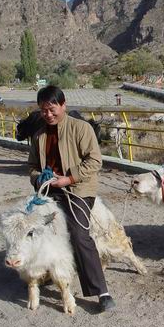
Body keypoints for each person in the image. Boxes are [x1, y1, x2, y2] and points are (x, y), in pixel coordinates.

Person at [28, 85, 115, 312]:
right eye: (43, 110)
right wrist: (40, 179)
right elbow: (33, 168)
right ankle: (41, 275)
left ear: (63, 105)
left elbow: (95, 161)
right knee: (35, 228)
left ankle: (101, 291)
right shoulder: (38, 136)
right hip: (49, 190)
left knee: (78, 234)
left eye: (51, 108)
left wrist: (68, 179)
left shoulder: (81, 128)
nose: (47, 114)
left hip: (78, 190)